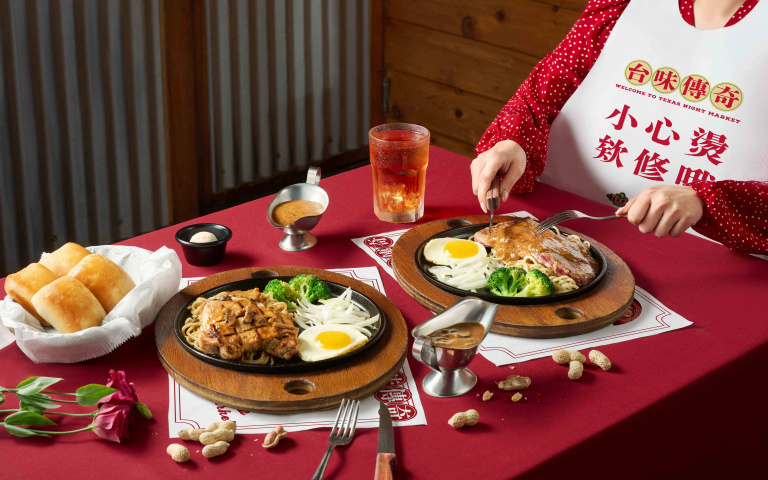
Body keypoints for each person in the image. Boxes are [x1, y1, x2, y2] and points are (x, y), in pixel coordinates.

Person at [471, 0, 768, 255]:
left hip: (700, 256)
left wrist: (706, 201)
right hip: (570, 228)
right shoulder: (619, 5)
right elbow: (546, 93)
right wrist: (512, 142)